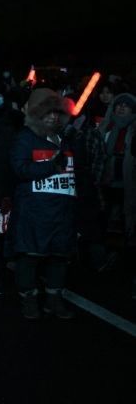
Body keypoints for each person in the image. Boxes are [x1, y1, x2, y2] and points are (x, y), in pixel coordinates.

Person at [9, 88, 76, 319]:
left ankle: (54, 300)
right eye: (48, 113)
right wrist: (50, 165)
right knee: (30, 256)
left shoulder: (64, 139)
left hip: (61, 212)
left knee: (59, 257)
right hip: (34, 211)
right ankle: (29, 299)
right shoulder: (25, 138)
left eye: (57, 113)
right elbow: (19, 169)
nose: (53, 117)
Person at [97, 93, 136, 298]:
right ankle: (107, 260)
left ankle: (126, 267)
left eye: (126, 106)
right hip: (106, 182)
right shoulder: (105, 126)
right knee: (105, 221)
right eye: (118, 105)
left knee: (127, 224)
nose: (121, 108)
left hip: (128, 184)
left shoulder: (134, 129)